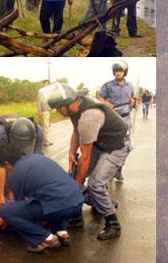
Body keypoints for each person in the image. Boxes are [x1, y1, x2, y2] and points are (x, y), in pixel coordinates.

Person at [41, 83, 131, 240]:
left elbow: (85, 156)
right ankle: (77, 217)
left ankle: (113, 224)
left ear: (68, 103)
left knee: (94, 184)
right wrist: (70, 153)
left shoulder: (88, 116)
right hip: (101, 142)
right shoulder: (75, 109)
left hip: (117, 146)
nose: (57, 111)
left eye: (58, 107)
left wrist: (78, 183)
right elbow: (76, 131)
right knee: (73, 174)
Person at [0, 149, 83, 253]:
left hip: (61, 206)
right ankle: (62, 233)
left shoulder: (15, 173)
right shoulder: (37, 158)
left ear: (7, 163)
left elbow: (21, 207)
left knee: (6, 212)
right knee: (49, 197)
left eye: (3, 168)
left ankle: (46, 239)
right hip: (77, 201)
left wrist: (7, 214)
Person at [0, 113, 45, 207]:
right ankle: (1, 202)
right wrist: (2, 195)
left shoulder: (38, 131)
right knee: (4, 194)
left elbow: (37, 161)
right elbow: (1, 165)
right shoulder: (1, 134)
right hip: (3, 142)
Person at [98, 60, 135, 181]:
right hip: (113, 120)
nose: (118, 73)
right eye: (116, 71)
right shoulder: (108, 86)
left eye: (120, 71)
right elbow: (100, 98)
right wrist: (107, 103)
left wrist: (133, 101)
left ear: (125, 73)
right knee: (111, 145)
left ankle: (119, 170)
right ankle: (106, 172)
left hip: (126, 119)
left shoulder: (130, 86)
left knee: (124, 146)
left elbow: (133, 97)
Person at [37, 80, 54, 148]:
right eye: (46, 84)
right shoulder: (41, 91)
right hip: (44, 111)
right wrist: (40, 112)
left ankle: (44, 140)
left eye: (48, 84)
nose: (47, 85)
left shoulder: (48, 92)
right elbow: (39, 102)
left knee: (45, 126)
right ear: (43, 84)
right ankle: (46, 141)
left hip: (48, 110)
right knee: (45, 126)